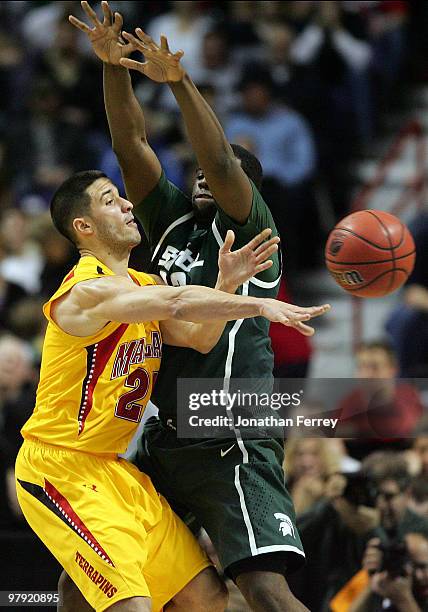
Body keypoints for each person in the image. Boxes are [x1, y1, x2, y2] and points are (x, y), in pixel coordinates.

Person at [65, 3, 330, 610]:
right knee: (89, 575)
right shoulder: (168, 222)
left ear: (249, 190)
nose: (210, 177)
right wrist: (114, 69)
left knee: (263, 589)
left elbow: (218, 159)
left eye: (230, 172)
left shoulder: (253, 229)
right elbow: (130, 142)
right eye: (206, 173)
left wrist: (181, 83)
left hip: (230, 425)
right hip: (169, 430)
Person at [15, 164, 327, 612]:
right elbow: (179, 300)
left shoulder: (143, 285)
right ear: (83, 227)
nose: (127, 204)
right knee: (131, 603)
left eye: (121, 197)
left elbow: (200, 336)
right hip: (61, 467)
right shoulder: (85, 292)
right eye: (109, 200)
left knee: (206, 597)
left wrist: (226, 284)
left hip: (113, 468)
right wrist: (259, 301)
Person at [348, 532, 428, 612]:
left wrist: (404, 600)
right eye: (410, 566)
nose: (418, 576)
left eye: (422, 567)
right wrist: (374, 580)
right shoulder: (388, 584)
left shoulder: (403, 597)